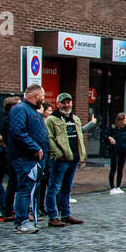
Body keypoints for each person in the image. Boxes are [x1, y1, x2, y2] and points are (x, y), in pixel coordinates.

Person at [44, 93, 93, 227]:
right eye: (63, 103)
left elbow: (80, 134)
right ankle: (53, 216)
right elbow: (48, 138)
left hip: (73, 158)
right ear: (58, 103)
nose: (66, 105)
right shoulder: (51, 119)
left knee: (67, 188)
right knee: (54, 188)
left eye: (68, 102)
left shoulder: (75, 118)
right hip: (60, 160)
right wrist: (58, 153)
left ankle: (65, 215)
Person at [6, 85, 49, 233]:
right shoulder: (20, 109)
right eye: (42, 96)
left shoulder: (32, 111)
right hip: (24, 157)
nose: (44, 99)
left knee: (29, 189)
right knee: (25, 189)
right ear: (36, 95)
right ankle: (22, 222)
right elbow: (17, 132)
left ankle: (26, 220)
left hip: (32, 158)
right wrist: (35, 147)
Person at [105, 113, 126, 195]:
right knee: (113, 168)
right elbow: (104, 134)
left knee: (121, 169)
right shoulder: (113, 128)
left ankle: (118, 186)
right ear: (120, 120)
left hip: (123, 150)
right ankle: (112, 187)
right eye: (125, 119)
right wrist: (109, 138)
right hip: (115, 150)